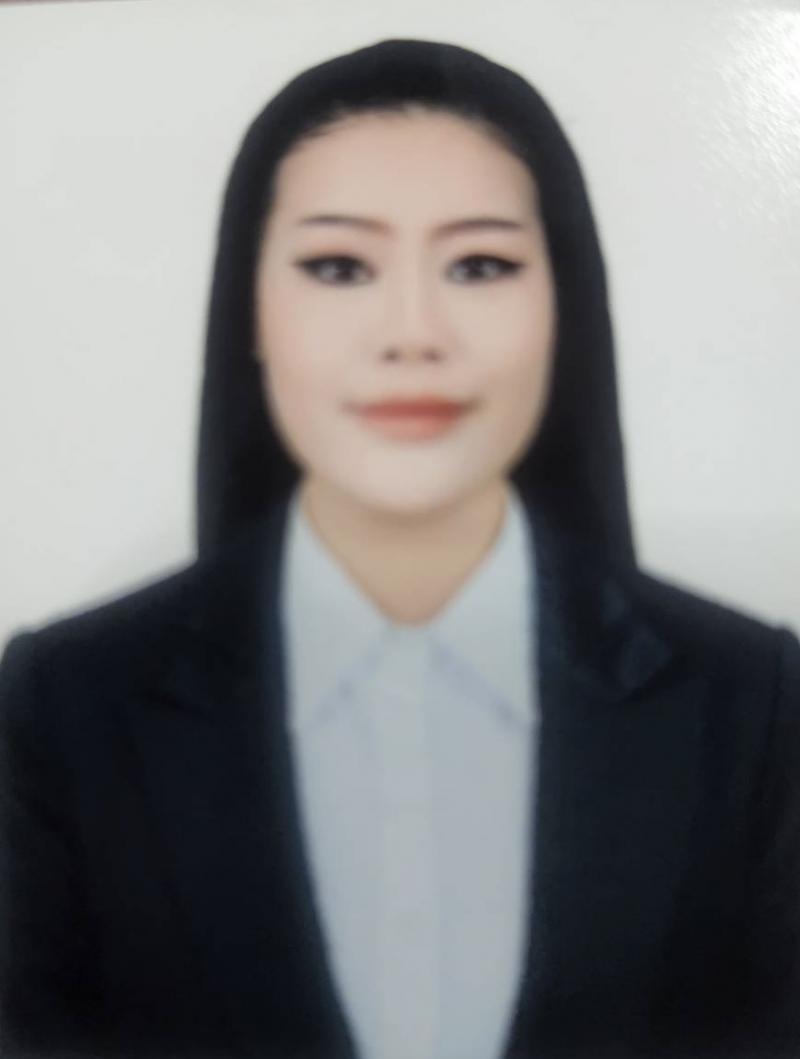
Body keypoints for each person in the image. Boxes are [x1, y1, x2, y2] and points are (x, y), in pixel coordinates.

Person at [1, 37, 799, 1059]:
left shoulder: (752, 708)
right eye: (338, 267)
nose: (412, 333)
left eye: (480, 265)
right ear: (251, 310)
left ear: (561, 305)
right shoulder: (65, 708)